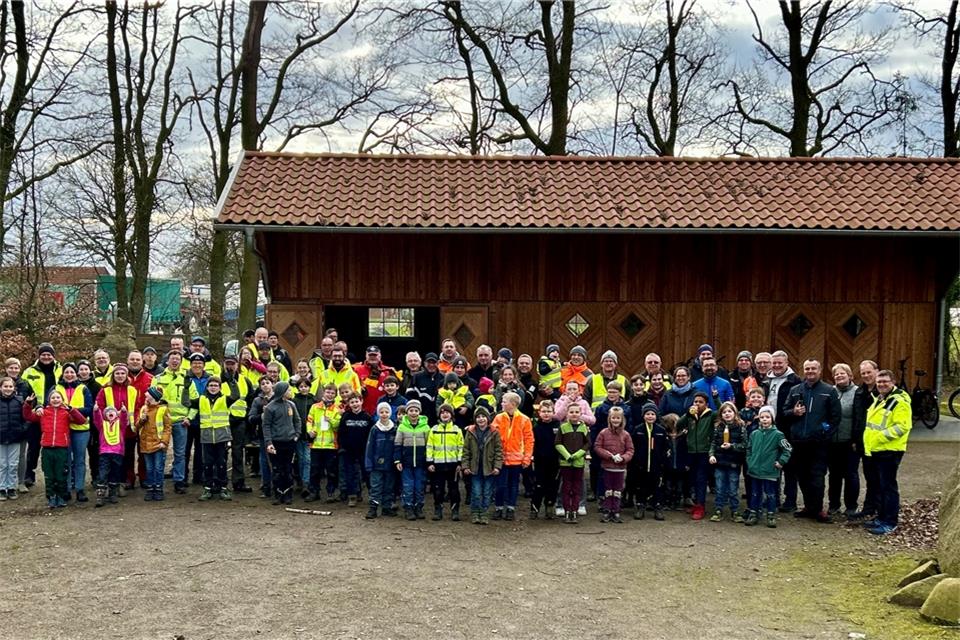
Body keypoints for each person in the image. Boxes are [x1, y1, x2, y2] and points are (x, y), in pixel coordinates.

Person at [782, 360, 841, 523]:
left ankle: (818, 509)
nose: (810, 371)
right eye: (807, 368)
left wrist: (823, 429)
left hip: (818, 443)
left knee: (817, 476)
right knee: (802, 475)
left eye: (813, 368)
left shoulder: (829, 391)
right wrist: (793, 412)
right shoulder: (795, 390)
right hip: (799, 441)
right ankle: (808, 507)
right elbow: (785, 412)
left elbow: (834, 417)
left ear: (819, 370)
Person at [863, 369, 912, 535]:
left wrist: (880, 437)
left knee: (888, 487)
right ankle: (881, 517)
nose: (881, 385)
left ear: (893, 382)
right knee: (880, 487)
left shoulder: (898, 401)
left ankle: (890, 522)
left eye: (885, 382)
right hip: (877, 449)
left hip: (889, 450)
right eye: (879, 382)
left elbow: (903, 426)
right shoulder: (881, 399)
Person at [24, 388, 85, 508]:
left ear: (62, 400)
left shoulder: (66, 412)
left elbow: (81, 420)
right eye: (53, 398)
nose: (55, 400)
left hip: (61, 448)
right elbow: (28, 416)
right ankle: (51, 496)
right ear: (49, 400)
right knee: (49, 475)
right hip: (47, 448)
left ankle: (61, 496)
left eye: (58, 398)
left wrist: (72, 410)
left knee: (61, 474)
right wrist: (28, 404)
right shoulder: (44, 412)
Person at [763, 351, 802, 511]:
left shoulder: (795, 381)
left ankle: (790, 500)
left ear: (787, 363)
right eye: (775, 363)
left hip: (788, 428)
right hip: (770, 428)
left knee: (789, 465)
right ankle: (774, 498)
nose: (777, 365)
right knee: (773, 464)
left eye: (780, 363)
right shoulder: (766, 380)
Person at [21, 343, 61, 488]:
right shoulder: (29, 372)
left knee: (56, 445)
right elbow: (24, 391)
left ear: (53, 356)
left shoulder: (60, 370)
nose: (46, 357)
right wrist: (32, 406)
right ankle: (29, 475)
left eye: (49, 354)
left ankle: (57, 475)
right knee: (33, 446)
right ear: (39, 356)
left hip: (55, 413)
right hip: (36, 413)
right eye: (43, 354)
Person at [744, 406, 792, 528]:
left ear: (772, 418)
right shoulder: (754, 434)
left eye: (767, 417)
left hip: (770, 471)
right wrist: (750, 461)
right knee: (755, 493)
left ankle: (771, 515)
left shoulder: (778, 435)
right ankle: (754, 513)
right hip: (754, 470)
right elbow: (749, 449)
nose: (764, 419)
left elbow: (787, 449)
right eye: (762, 417)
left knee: (770, 494)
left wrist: (781, 461)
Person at [191, 376, 237, 501]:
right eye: (211, 385)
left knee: (222, 463)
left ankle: (223, 488)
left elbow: (236, 396)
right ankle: (207, 488)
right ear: (207, 387)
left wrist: (232, 381)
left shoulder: (224, 399)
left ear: (220, 387)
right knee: (207, 463)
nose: (213, 388)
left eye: (216, 385)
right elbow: (186, 402)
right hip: (206, 436)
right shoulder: (201, 399)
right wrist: (185, 388)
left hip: (221, 436)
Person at [491, 392, 533, 521]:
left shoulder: (524, 419)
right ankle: (498, 508)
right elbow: (492, 437)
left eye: (504, 401)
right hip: (501, 459)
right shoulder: (498, 418)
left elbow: (529, 440)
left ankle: (510, 508)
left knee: (513, 485)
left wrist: (527, 458)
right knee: (500, 485)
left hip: (516, 460)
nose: (502, 403)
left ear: (513, 404)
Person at [55, 363, 93, 502]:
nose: (69, 374)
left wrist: (72, 410)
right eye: (66, 372)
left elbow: (89, 408)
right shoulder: (56, 388)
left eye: (72, 372)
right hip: (63, 429)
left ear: (76, 374)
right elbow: (51, 404)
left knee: (80, 460)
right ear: (62, 374)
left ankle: (79, 488)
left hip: (81, 430)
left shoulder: (83, 388)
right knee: (65, 460)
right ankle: (67, 487)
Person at [461, 405, 503, 525]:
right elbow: (466, 450)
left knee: (487, 492)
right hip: (475, 468)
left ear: (488, 418)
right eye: (478, 417)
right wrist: (465, 466)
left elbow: (498, 451)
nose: (481, 419)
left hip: (489, 468)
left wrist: (497, 466)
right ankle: (475, 512)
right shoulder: (470, 431)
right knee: (476, 491)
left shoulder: (494, 432)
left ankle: (484, 512)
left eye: (483, 416)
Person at [262, 380, 301, 506]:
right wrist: (269, 442)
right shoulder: (270, 407)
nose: (290, 392)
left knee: (288, 469)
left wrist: (296, 435)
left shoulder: (291, 405)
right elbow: (266, 426)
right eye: (288, 390)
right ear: (282, 392)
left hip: (289, 442)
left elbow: (297, 420)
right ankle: (278, 494)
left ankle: (288, 494)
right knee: (277, 469)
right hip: (276, 443)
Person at [154, 351, 188, 494]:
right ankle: (158, 481)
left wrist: (189, 417)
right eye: (172, 359)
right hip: (163, 421)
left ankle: (179, 481)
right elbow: (152, 398)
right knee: (161, 452)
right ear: (167, 361)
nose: (175, 361)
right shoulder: (158, 378)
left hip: (181, 421)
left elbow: (194, 400)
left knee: (180, 453)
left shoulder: (187, 378)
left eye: (177, 359)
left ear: (181, 361)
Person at [593, 405, 635, 523]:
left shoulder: (626, 434)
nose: (615, 420)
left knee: (617, 490)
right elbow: (597, 447)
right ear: (609, 419)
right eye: (613, 418)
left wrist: (623, 458)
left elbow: (630, 450)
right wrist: (609, 456)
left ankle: (616, 510)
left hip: (620, 468)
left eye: (618, 418)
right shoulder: (603, 433)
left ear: (622, 419)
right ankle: (606, 510)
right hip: (607, 467)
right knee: (607, 490)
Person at [708, 401, 748, 523]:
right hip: (720, 462)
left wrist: (732, 446)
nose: (727, 414)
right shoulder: (718, 427)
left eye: (729, 411)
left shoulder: (741, 427)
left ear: (735, 413)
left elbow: (744, 445)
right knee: (720, 488)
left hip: (734, 463)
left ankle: (735, 510)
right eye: (724, 412)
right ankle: (718, 509)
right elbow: (713, 443)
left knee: (733, 488)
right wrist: (711, 455)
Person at [829, 363, 860, 518]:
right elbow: (825, 415)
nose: (839, 376)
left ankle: (851, 506)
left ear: (850, 376)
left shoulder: (857, 393)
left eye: (842, 374)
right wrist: (826, 429)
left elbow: (859, 419)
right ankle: (833, 505)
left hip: (850, 442)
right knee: (834, 475)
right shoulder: (831, 392)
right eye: (836, 374)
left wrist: (856, 439)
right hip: (833, 442)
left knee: (850, 474)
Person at [628, 402, 668, 521]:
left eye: (652, 414)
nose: (650, 416)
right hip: (641, 465)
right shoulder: (638, 429)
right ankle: (640, 506)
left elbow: (665, 448)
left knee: (658, 486)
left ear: (656, 416)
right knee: (641, 486)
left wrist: (663, 461)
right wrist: (634, 462)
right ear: (643, 415)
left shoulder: (661, 430)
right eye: (647, 414)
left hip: (657, 465)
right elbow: (633, 447)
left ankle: (658, 506)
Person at [851, 360, 880, 521]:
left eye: (869, 372)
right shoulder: (860, 391)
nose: (866, 376)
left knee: (879, 477)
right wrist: (855, 439)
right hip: (862, 441)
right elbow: (857, 417)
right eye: (863, 373)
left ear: (876, 371)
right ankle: (869, 508)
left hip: (879, 442)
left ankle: (879, 509)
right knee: (869, 476)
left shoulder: (883, 391)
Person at [678, 391, 713, 520]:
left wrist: (716, 397)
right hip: (691, 451)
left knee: (701, 479)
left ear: (706, 404)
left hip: (704, 452)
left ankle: (700, 506)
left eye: (701, 402)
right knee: (691, 479)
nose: (697, 404)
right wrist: (687, 414)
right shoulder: (691, 416)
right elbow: (678, 425)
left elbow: (721, 413)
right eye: (696, 402)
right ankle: (695, 503)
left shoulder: (710, 415)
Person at [394, 398, 430, 520]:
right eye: (411, 410)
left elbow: (429, 445)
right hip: (406, 463)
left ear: (419, 412)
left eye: (416, 410)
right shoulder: (402, 427)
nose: (413, 413)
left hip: (421, 462)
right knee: (408, 486)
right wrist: (397, 460)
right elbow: (397, 444)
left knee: (419, 486)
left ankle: (418, 507)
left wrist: (428, 460)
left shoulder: (425, 427)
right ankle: (408, 507)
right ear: (407, 412)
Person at [305, 383, 342, 503]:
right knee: (315, 470)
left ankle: (331, 492)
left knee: (331, 471)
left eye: (332, 393)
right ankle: (314, 492)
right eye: (328, 392)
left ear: (335, 395)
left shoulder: (338, 409)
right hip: (316, 444)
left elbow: (338, 426)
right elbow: (309, 420)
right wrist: (309, 431)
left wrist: (331, 420)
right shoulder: (315, 407)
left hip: (331, 445)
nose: (330, 395)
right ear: (323, 393)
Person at [426, 403, 464, 521]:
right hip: (438, 465)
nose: (445, 415)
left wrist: (459, 463)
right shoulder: (434, 430)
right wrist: (430, 462)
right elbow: (429, 447)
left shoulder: (456, 430)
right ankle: (438, 510)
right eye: (442, 413)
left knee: (454, 489)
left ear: (451, 415)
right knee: (438, 490)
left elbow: (461, 447)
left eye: (447, 412)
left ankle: (455, 510)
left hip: (453, 465)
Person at [555, 402, 590, 524]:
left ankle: (574, 510)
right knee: (566, 487)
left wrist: (577, 455)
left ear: (581, 414)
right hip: (566, 463)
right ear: (567, 414)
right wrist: (567, 455)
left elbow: (587, 443)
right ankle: (566, 510)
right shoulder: (563, 427)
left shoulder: (584, 428)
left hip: (578, 463)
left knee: (576, 488)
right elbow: (558, 443)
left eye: (577, 412)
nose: (574, 414)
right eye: (571, 412)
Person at [181, 353, 212, 488]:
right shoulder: (185, 378)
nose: (197, 365)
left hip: (204, 420)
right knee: (184, 450)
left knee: (201, 451)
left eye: (200, 363)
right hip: (187, 419)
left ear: (204, 365)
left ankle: (199, 476)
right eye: (194, 363)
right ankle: (183, 476)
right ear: (190, 365)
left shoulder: (210, 378)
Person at [136, 387, 171, 501]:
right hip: (146, 443)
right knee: (149, 468)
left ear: (153, 397)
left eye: (148, 394)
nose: (145, 395)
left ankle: (158, 488)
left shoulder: (163, 409)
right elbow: (137, 426)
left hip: (158, 444)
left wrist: (164, 442)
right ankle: (151, 488)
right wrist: (142, 420)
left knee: (158, 468)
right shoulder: (144, 409)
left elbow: (167, 427)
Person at [365, 402, 398, 519]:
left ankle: (387, 507)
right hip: (376, 464)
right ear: (378, 413)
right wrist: (368, 464)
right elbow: (370, 447)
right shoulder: (374, 429)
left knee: (389, 486)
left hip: (390, 464)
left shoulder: (395, 428)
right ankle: (373, 508)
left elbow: (397, 446)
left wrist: (397, 461)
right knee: (376, 486)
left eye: (386, 412)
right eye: (382, 412)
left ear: (390, 413)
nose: (384, 414)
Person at [339, 393, 372, 507]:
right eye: (352, 402)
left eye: (357, 401)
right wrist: (342, 447)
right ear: (349, 404)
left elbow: (370, 435)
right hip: (349, 451)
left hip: (364, 451)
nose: (355, 404)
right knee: (350, 473)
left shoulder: (367, 417)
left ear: (361, 401)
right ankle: (352, 496)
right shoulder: (346, 417)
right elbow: (341, 433)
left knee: (366, 473)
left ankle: (372, 495)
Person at [529, 399, 560, 520]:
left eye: (549, 411)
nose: (546, 414)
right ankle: (534, 508)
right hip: (540, 461)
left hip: (554, 461)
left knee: (552, 485)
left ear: (553, 412)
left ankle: (549, 507)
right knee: (538, 485)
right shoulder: (536, 427)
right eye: (543, 411)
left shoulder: (558, 426)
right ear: (539, 412)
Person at [246, 376, 275, 499]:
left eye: (267, 383)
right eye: (262, 383)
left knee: (277, 462)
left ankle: (279, 487)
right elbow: (251, 418)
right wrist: (261, 415)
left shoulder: (279, 398)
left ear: (272, 384)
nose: (265, 385)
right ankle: (266, 487)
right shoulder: (257, 401)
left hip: (279, 434)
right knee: (264, 462)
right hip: (263, 435)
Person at [93, 406, 126, 507]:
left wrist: (124, 412)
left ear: (117, 414)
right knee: (103, 474)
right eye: (107, 412)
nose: (110, 413)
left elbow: (125, 421)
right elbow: (97, 419)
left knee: (115, 473)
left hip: (117, 453)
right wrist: (96, 411)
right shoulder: (102, 425)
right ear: (104, 415)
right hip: (105, 453)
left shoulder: (120, 424)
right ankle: (100, 495)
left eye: (113, 411)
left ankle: (113, 493)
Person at [0, 377, 26, 500]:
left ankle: (11, 487)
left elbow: (26, 417)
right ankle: (2, 487)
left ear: (14, 388)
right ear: (1, 387)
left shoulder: (19, 401)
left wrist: (22, 429)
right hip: (1, 437)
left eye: (10, 386)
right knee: (2, 464)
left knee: (13, 464)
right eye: (5, 386)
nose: (8, 389)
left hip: (15, 436)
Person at [354, 346, 396, 416]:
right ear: (366, 355)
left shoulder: (388, 371)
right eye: (370, 355)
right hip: (363, 412)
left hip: (383, 413)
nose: (372, 357)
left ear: (380, 355)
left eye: (375, 355)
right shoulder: (357, 370)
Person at [291, 377, 314, 495]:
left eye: (306, 386)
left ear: (309, 387)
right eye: (301, 386)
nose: (303, 388)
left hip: (310, 436)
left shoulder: (313, 400)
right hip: (298, 435)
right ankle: (300, 480)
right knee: (300, 459)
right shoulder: (294, 401)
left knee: (307, 459)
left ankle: (306, 482)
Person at [408, 352, 444, 424]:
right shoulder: (416, 377)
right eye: (428, 362)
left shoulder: (444, 378)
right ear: (424, 363)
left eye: (433, 362)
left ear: (438, 363)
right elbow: (409, 397)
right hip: (420, 420)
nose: (431, 365)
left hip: (439, 420)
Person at [661, 413, 687, 511]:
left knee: (679, 486)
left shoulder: (683, 436)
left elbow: (686, 451)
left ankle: (676, 502)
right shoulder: (665, 436)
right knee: (668, 485)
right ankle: (668, 502)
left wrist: (687, 463)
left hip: (680, 466)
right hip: (668, 466)